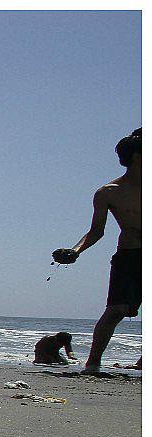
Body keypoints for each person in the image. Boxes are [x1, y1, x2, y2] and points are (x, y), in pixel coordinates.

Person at [51, 129, 141, 373]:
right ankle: (93, 363)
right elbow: (96, 231)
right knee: (116, 310)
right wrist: (75, 250)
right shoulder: (109, 192)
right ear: (135, 157)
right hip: (130, 256)